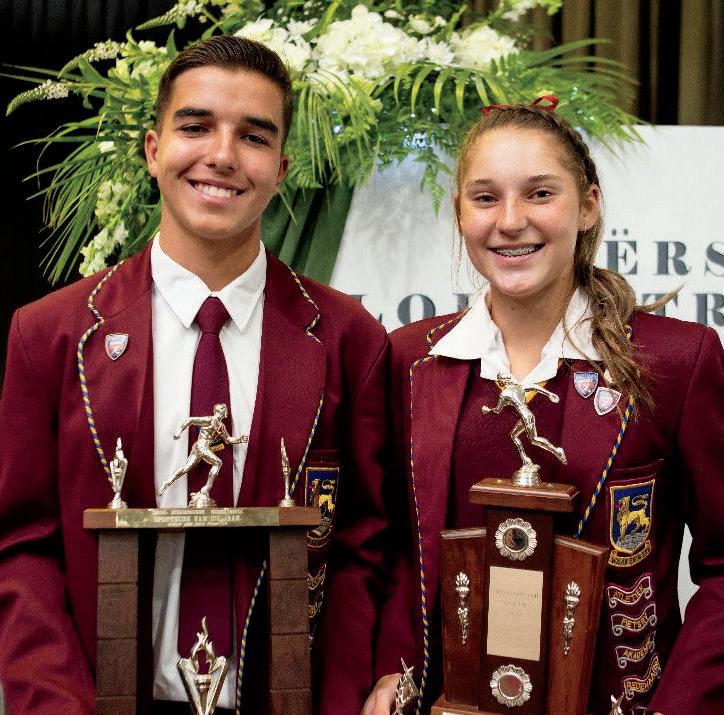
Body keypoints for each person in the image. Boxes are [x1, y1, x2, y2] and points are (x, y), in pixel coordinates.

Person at [0, 36, 390, 714]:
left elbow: (363, 546)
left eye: (254, 136)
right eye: (196, 126)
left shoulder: (348, 338)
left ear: (281, 168)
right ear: (153, 150)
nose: (222, 155)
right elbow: (22, 547)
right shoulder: (50, 333)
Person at [364, 100, 724, 714]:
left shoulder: (677, 360)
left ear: (588, 206)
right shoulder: (408, 360)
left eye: (539, 194)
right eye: (485, 198)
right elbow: (391, 547)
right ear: (459, 213)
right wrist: (390, 673)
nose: (510, 221)